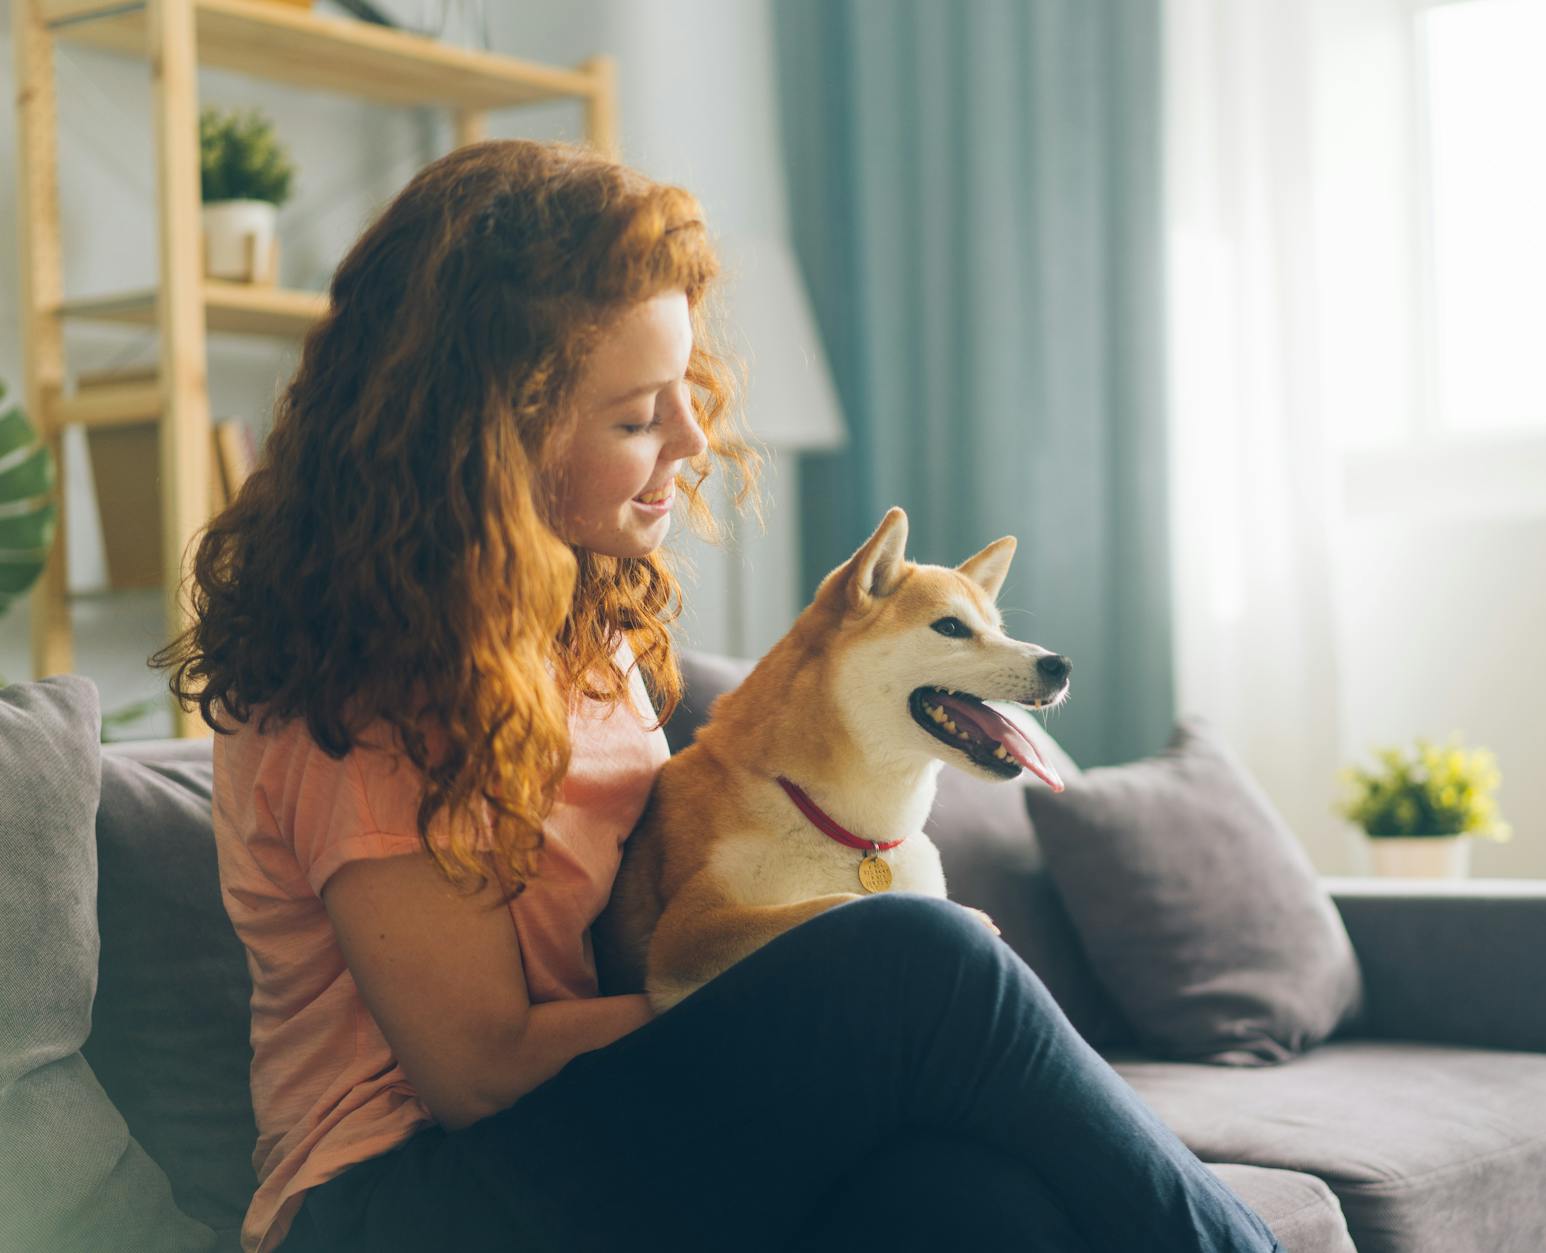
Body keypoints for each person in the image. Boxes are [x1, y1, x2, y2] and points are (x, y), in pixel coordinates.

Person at [156, 138, 1284, 1253]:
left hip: (595, 1136)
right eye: (637, 415)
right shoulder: (359, 692)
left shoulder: (584, 650)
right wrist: (823, 980)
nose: (695, 441)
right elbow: (481, 1071)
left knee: (975, 1203)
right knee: (919, 964)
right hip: (396, 1200)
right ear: (486, 442)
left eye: (684, 393)